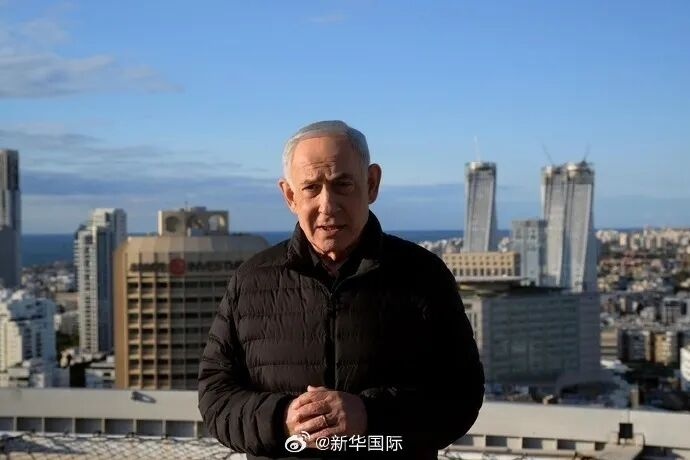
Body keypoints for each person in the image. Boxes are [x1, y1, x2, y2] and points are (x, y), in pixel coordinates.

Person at [198, 120, 484, 459]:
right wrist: (282, 419)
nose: (328, 205)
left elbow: (461, 396)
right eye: (311, 188)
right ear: (290, 195)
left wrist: (370, 415)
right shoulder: (251, 281)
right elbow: (215, 397)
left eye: (342, 184)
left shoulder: (423, 275)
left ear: (372, 184)